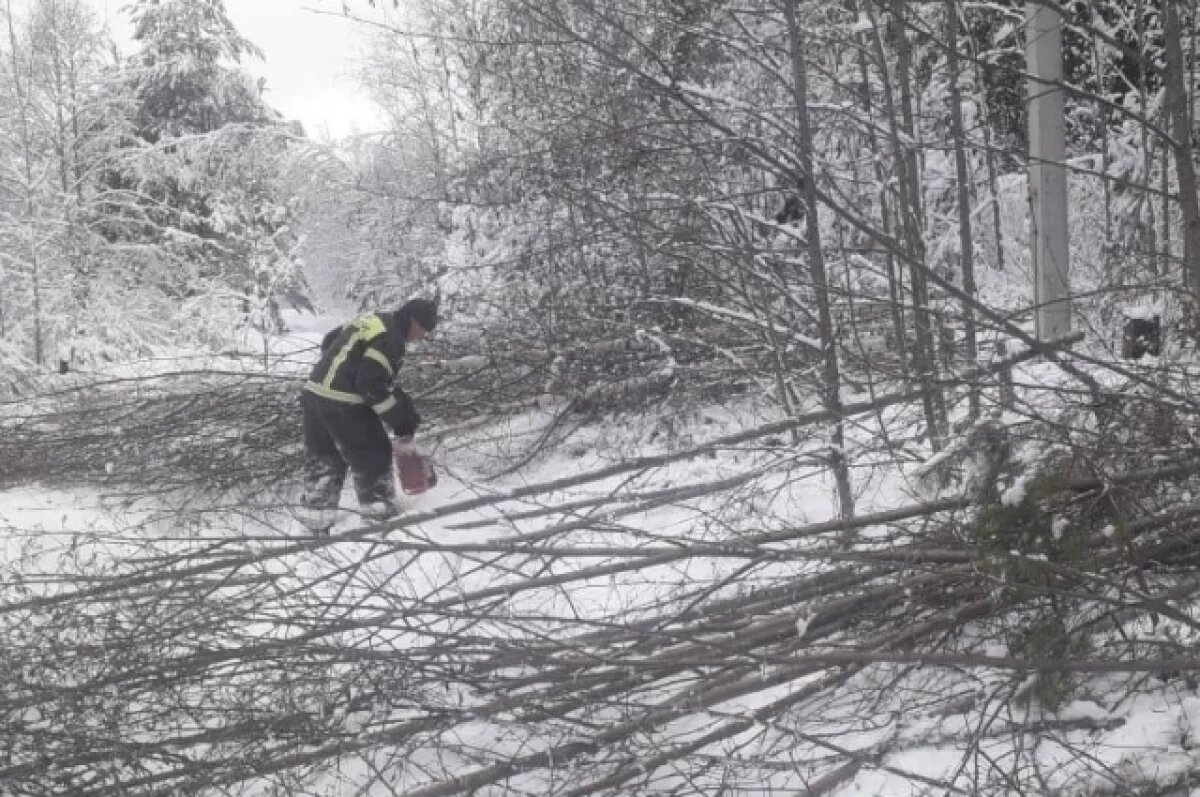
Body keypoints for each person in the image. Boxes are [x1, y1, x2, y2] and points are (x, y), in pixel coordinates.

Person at [299, 298, 437, 532]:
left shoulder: (375, 320)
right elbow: (372, 385)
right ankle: (379, 522)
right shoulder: (392, 338)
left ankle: (314, 527)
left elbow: (331, 339)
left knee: (325, 461)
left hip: (314, 396)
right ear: (413, 321)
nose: (423, 337)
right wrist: (401, 423)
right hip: (343, 403)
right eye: (424, 330)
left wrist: (338, 370)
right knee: (373, 456)